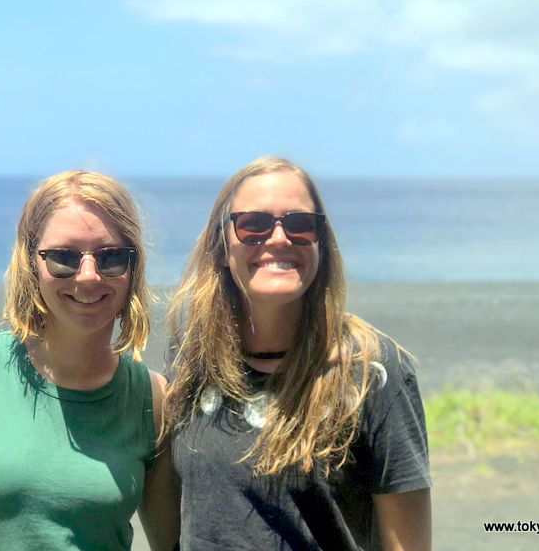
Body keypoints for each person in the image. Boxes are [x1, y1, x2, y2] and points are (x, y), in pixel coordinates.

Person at [0, 170, 178, 550]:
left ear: (133, 266)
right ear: (30, 263)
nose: (88, 276)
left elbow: (174, 543)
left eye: (111, 257)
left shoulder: (151, 399)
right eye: (63, 258)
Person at [164, 157, 432, 551]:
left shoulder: (373, 369)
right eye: (253, 224)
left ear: (321, 243)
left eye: (300, 224)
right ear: (221, 246)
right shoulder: (192, 356)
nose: (278, 238)